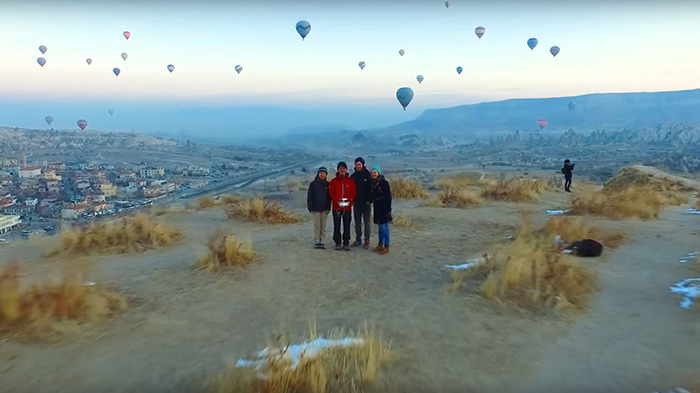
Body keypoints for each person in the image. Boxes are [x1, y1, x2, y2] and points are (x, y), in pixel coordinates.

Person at [329, 161, 356, 251]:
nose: (342, 170)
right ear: (338, 170)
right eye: (340, 168)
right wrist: (337, 200)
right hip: (337, 207)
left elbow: (353, 192)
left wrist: (350, 200)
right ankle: (337, 243)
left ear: (346, 169)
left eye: (344, 168)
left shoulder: (350, 181)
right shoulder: (333, 181)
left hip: (347, 207)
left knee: (347, 225)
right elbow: (331, 193)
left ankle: (346, 243)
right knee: (337, 226)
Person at [369, 166, 392, 255]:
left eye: (375, 172)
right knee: (379, 227)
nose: (374, 174)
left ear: (378, 173)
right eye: (372, 172)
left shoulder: (384, 183)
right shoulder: (372, 183)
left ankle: (387, 246)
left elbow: (388, 196)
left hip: (384, 206)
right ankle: (380, 244)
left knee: (384, 227)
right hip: (377, 206)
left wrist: (388, 208)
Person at [307, 166, 331, 249]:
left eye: (324, 173)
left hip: (324, 209)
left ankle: (322, 241)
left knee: (323, 227)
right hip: (316, 208)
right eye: (321, 173)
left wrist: (328, 208)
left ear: (326, 174)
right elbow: (310, 197)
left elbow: (329, 198)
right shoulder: (313, 184)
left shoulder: (328, 184)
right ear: (318, 174)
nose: (322, 175)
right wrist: (310, 208)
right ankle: (317, 241)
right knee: (317, 226)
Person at [350, 157, 372, 249]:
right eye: (356, 164)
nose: (358, 166)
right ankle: (358, 239)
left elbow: (371, 189)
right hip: (356, 204)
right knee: (357, 223)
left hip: (366, 204)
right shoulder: (353, 176)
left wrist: (370, 201)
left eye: (359, 164)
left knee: (367, 223)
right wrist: (352, 201)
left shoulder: (368, 175)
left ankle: (367, 241)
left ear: (363, 165)